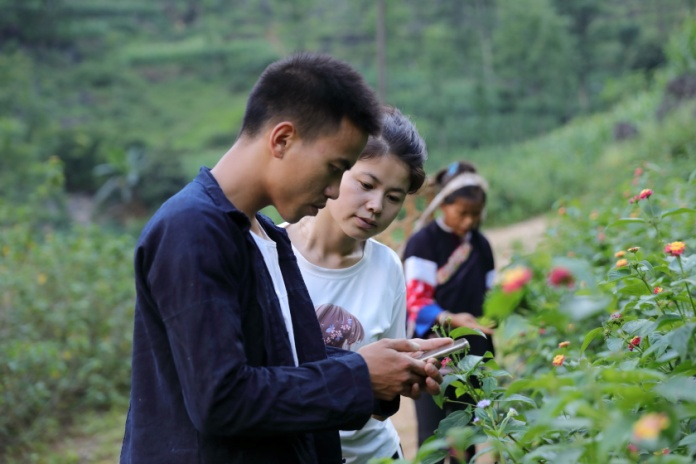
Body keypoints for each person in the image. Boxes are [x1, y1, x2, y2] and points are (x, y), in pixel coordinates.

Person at [119, 52, 452, 464]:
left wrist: (383, 372)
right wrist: (357, 374)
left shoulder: (264, 237)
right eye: (335, 169)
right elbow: (221, 400)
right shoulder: (192, 230)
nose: (334, 191)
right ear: (282, 139)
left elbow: (285, 359)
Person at [285, 106, 427, 463]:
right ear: (338, 167)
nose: (376, 206)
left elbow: (379, 408)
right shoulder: (271, 255)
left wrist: (404, 378)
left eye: (394, 197)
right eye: (366, 185)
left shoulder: (387, 267)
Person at [402, 161, 496, 457]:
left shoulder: (481, 245)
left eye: (476, 214)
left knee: (465, 435)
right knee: (433, 436)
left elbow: (490, 294)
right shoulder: (423, 244)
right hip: (434, 353)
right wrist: (452, 319)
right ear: (444, 205)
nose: (469, 221)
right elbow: (416, 302)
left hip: (474, 351)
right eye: (463, 213)